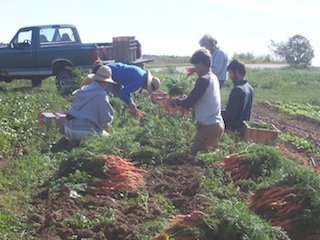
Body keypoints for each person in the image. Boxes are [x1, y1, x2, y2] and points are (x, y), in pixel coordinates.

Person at [175, 48, 225, 155]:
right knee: (205, 160)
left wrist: (175, 102)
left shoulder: (203, 80)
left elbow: (188, 103)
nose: (195, 68)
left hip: (209, 128)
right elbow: (197, 98)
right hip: (217, 125)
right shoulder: (213, 77)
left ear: (201, 64)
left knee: (193, 157)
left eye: (196, 65)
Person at [81, 62, 160, 118]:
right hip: (110, 74)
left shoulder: (142, 73)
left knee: (115, 96)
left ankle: (114, 112)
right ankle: (97, 114)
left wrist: (131, 104)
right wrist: (131, 104)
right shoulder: (139, 81)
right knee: (101, 96)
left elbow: (125, 90)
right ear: (147, 84)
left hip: (115, 75)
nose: (145, 89)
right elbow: (124, 92)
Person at [64, 65, 117, 146]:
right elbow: (105, 119)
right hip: (83, 131)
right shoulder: (101, 95)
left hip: (68, 128)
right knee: (109, 140)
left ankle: (72, 144)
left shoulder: (84, 89)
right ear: (106, 82)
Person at [222, 60, 254, 132]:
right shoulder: (249, 88)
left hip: (234, 127)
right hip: (244, 126)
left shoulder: (238, 90)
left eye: (230, 73)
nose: (230, 76)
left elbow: (230, 115)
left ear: (237, 72)